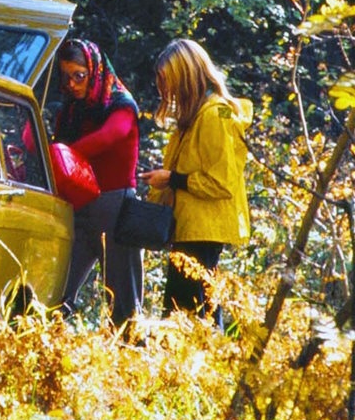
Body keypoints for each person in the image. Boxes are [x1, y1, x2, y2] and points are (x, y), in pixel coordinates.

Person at [140, 38, 251, 329]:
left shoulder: (215, 115)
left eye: (167, 81)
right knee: (192, 311)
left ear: (185, 77)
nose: (164, 90)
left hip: (204, 231)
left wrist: (173, 179)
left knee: (188, 314)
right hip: (190, 226)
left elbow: (221, 182)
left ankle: (197, 370)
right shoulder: (194, 116)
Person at [53, 39, 142, 328]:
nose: (73, 84)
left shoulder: (121, 103)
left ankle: (128, 359)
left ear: (94, 71)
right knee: (57, 287)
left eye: (79, 76)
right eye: (66, 77)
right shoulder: (70, 109)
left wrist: (62, 154)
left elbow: (110, 137)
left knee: (123, 300)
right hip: (78, 207)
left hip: (115, 207)